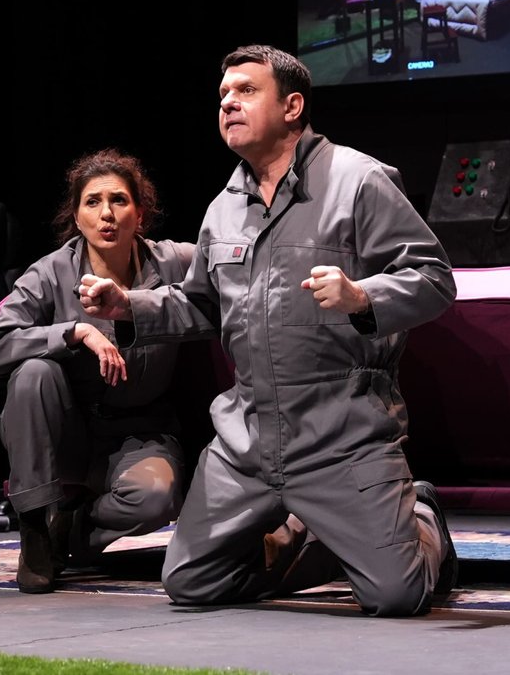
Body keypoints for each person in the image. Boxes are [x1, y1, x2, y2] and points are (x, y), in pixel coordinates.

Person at [79, 44, 460, 617]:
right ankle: (319, 540)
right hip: (249, 437)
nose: (228, 103)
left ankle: (421, 516)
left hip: (341, 432)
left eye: (246, 91)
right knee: (190, 582)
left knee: (397, 596)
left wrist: (362, 297)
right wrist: (128, 306)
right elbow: (203, 305)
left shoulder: (359, 180)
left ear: (292, 106)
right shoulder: (224, 208)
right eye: (223, 95)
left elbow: (433, 279)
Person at [0, 148, 198, 594]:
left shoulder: (172, 262)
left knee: (155, 498)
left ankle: (69, 531)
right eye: (93, 202)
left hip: (141, 430)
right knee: (33, 373)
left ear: (140, 214)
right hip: (68, 435)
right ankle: (35, 528)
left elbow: (233, 262)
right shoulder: (50, 273)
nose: (106, 214)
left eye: (119, 200)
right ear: (77, 218)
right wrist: (74, 332)